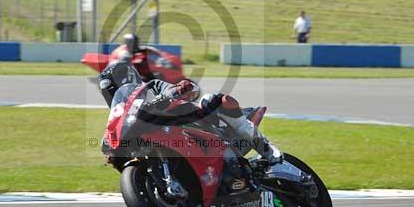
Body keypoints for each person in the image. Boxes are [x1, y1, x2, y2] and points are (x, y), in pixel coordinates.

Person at [98, 61, 283, 168]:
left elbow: (190, 89)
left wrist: (179, 88)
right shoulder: (119, 119)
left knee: (215, 99)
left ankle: (264, 147)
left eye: (117, 88)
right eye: (110, 92)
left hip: (190, 122)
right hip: (165, 148)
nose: (114, 94)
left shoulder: (152, 87)